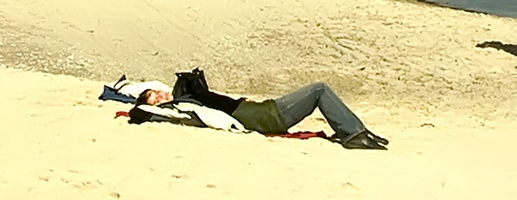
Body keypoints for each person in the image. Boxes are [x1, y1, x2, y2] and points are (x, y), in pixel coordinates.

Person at [137, 77, 388, 150]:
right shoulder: (183, 104)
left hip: (265, 110)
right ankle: (354, 133)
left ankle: (357, 130)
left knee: (318, 90)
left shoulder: (191, 100)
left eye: (157, 92)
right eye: (154, 98)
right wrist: (152, 107)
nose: (160, 96)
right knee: (319, 89)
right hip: (268, 117)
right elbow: (143, 113)